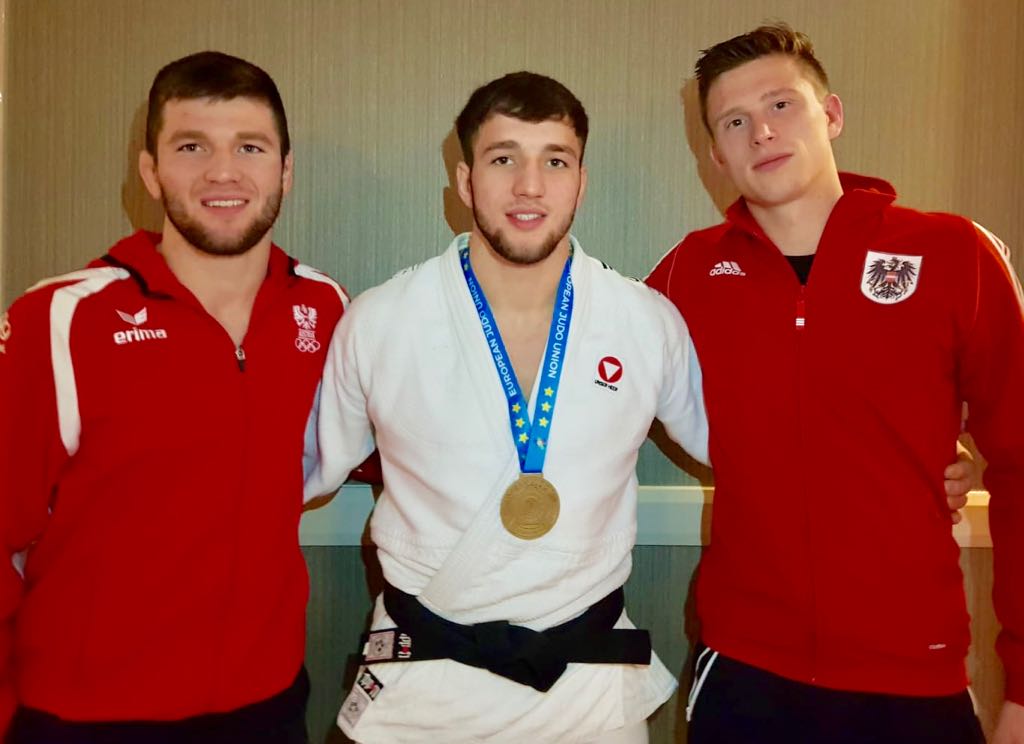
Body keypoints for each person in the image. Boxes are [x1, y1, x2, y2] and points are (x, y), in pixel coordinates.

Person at [305, 71, 710, 744]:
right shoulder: (380, 322)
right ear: (465, 182)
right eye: (504, 159)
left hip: (585, 694)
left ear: (581, 180)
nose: (530, 186)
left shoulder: (645, 322)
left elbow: (744, 444)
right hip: (422, 687)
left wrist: (918, 457)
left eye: (555, 160)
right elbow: (300, 468)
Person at [646, 23, 1024, 744]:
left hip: (916, 677)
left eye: (782, 105)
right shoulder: (686, 275)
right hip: (745, 675)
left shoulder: (953, 254)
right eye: (734, 121)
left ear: (833, 115)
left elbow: (1021, 463)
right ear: (716, 154)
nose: (761, 132)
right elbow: (583, 395)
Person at [0, 51, 347, 743]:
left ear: (285, 171)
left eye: (249, 147)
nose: (223, 172)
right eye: (192, 147)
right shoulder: (60, 319)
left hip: (267, 707)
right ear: (151, 172)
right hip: (86, 717)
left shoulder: (327, 310)